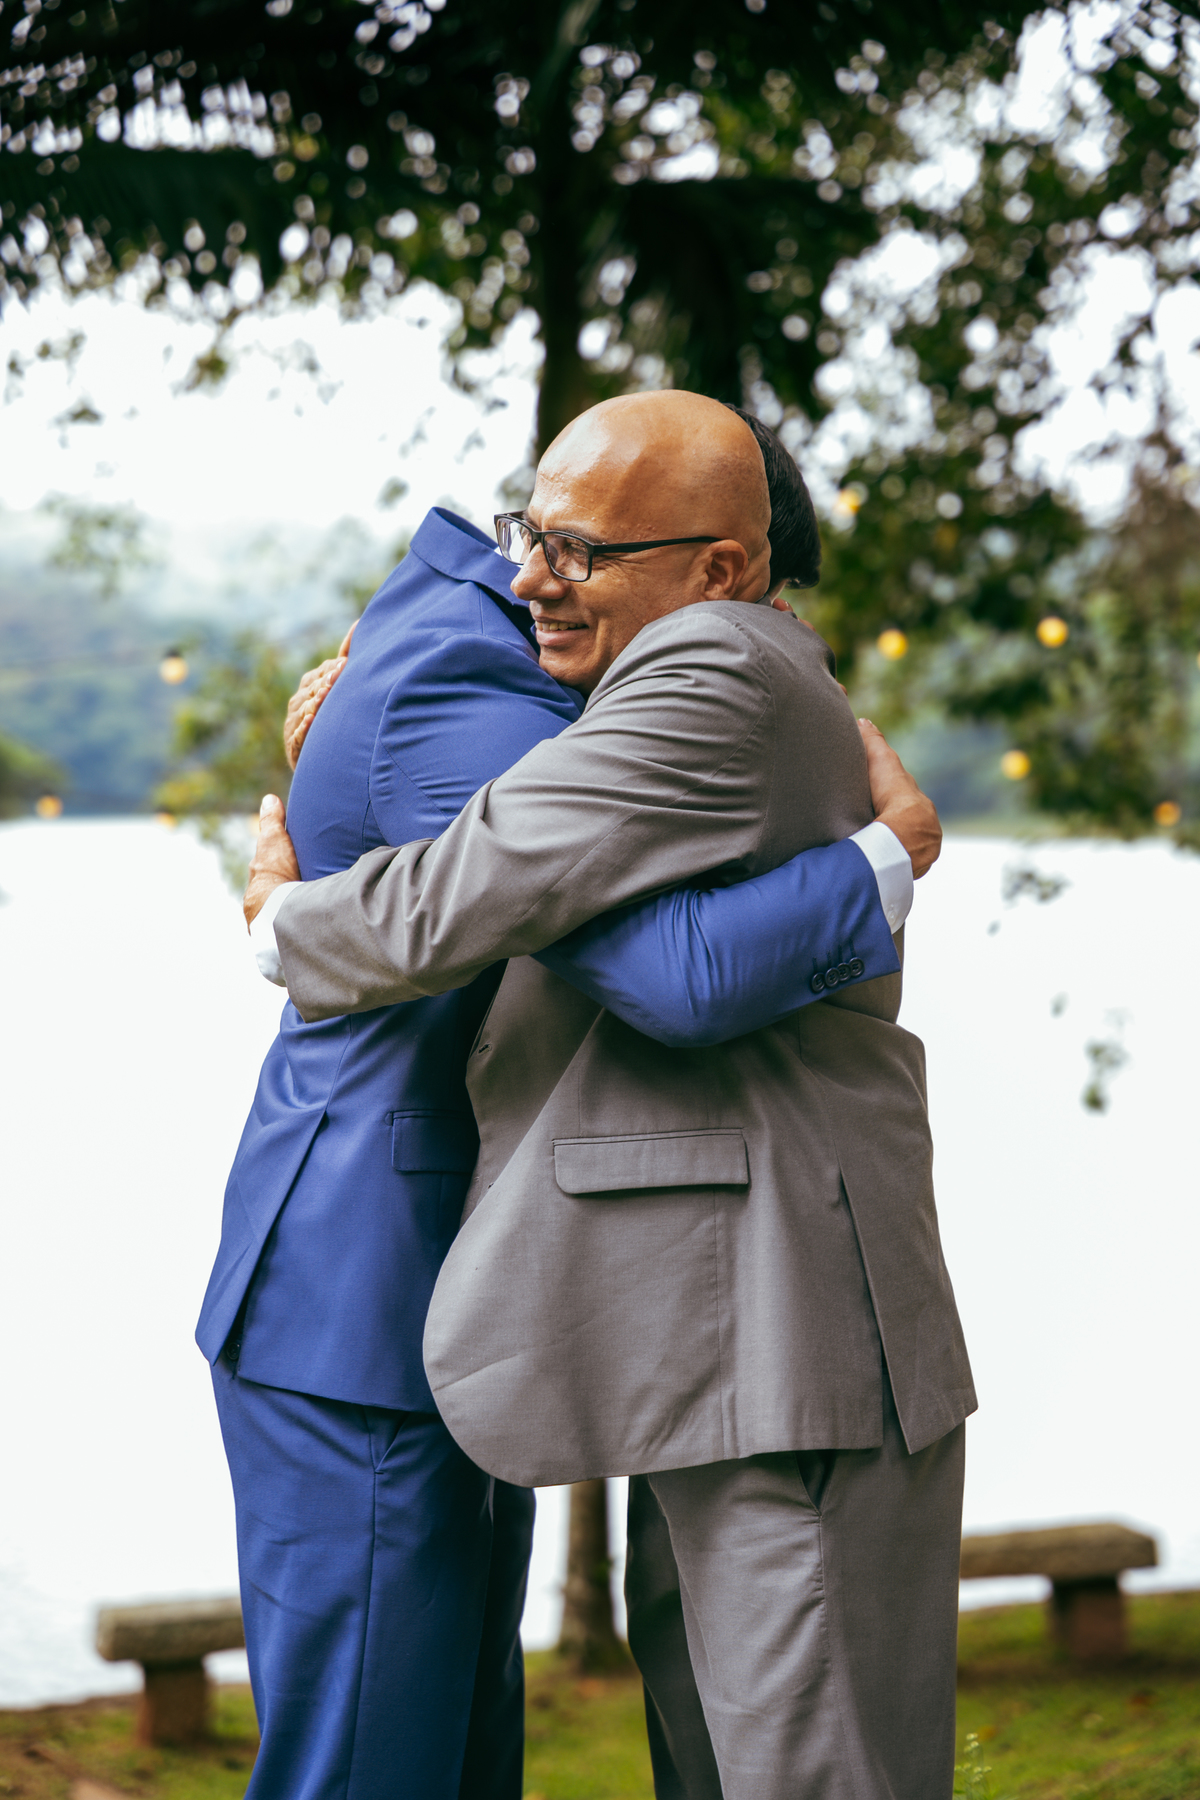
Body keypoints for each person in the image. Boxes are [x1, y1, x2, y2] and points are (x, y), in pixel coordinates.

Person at [245, 391, 975, 1800]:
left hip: (794, 1338)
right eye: (533, 534)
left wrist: (286, 917)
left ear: (723, 570)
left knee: (808, 1766)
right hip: (726, 1337)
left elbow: (604, 933)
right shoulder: (646, 677)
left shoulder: (709, 671)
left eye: (579, 554)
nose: (530, 578)